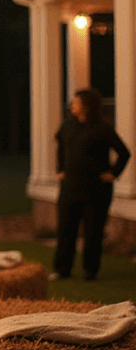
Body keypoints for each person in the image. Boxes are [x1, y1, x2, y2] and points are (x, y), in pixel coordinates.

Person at [52, 87, 131, 281]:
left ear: (86, 106)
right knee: (65, 229)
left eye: (76, 102)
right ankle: (62, 269)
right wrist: (60, 169)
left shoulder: (102, 128)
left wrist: (113, 173)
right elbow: (60, 146)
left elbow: (124, 153)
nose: (72, 105)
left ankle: (90, 270)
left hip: (96, 191)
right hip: (70, 188)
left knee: (93, 232)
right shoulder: (68, 125)